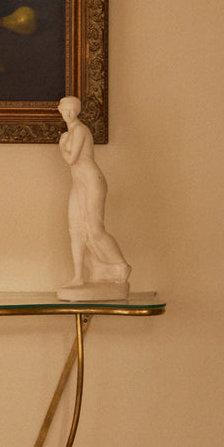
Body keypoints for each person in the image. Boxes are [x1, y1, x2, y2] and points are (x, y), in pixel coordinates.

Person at [57, 97, 131, 299]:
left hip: (92, 181)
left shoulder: (80, 130)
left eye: (73, 110)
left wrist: (62, 145)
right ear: (60, 110)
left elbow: (71, 159)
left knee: (95, 230)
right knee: (75, 229)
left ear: (78, 111)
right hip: (78, 183)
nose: (69, 113)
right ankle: (78, 277)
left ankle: (121, 266)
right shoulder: (70, 133)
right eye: (66, 110)